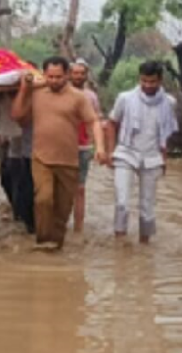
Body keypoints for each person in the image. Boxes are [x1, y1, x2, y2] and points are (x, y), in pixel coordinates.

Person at [12, 56, 105, 250]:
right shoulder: (36, 93)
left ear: (67, 75)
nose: (54, 81)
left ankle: (56, 246)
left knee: (63, 210)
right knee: (43, 199)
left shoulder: (79, 97)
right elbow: (17, 116)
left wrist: (100, 147)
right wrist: (24, 89)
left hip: (68, 160)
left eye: (58, 77)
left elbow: (93, 121)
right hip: (41, 158)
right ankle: (43, 242)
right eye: (50, 76)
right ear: (44, 74)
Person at [106, 61, 178, 244]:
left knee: (148, 207)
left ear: (160, 80)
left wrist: (164, 158)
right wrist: (110, 152)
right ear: (139, 79)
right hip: (126, 152)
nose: (147, 85)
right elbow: (112, 123)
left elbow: (165, 132)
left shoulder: (169, 102)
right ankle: (120, 243)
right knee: (122, 202)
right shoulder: (125, 98)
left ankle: (145, 244)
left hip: (152, 155)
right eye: (144, 81)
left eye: (152, 81)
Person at [70, 59, 102, 233]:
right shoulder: (61, 93)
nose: (78, 76)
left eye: (82, 73)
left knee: (80, 189)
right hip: (63, 147)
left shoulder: (91, 97)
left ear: (86, 75)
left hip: (83, 147)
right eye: (75, 73)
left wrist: (99, 147)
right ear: (69, 74)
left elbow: (96, 121)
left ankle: (78, 228)